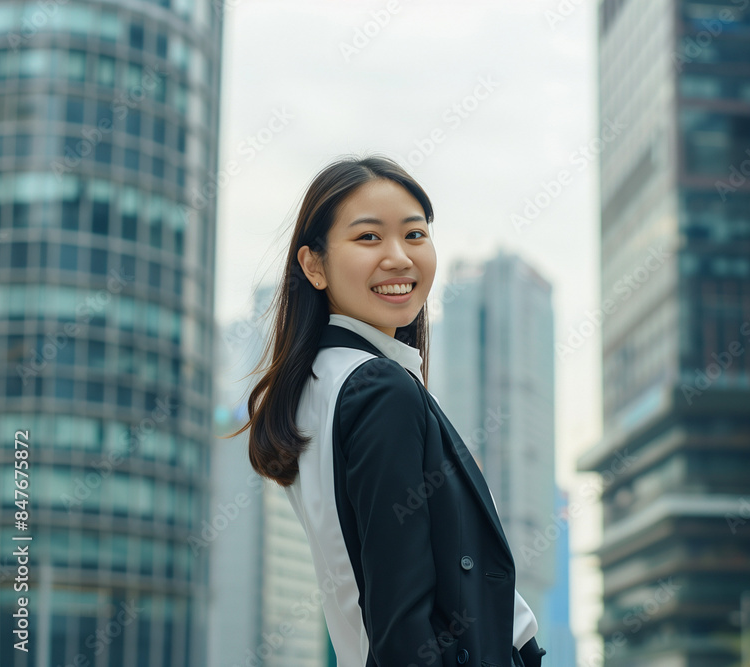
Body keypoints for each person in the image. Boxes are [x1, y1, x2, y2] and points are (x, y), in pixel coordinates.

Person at [228, 155, 547, 667]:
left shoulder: (324, 382)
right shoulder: (378, 390)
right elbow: (401, 626)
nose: (399, 258)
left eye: (415, 235)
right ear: (313, 265)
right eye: (368, 238)